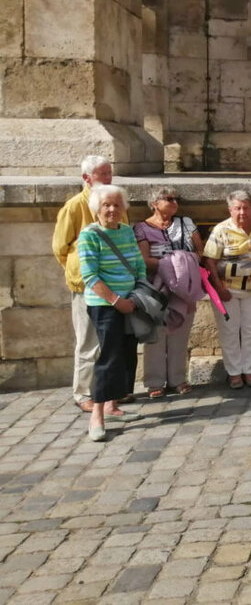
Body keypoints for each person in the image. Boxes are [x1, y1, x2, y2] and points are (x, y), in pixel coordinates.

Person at [53, 155, 122, 413]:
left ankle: (109, 393)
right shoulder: (74, 206)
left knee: (111, 341)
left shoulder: (115, 201)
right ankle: (83, 393)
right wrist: (77, 270)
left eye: (109, 172)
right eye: (102, 174)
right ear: (86, 178)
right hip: (87, 286)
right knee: (88, 341)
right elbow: (60, 247)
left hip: (114, 283)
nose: (107, 178)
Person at [77, 184, 142, 441]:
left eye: (117, 204)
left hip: (130, 301)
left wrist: (137, 293)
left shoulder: (126, 231)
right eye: (107, 205)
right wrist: (117, 300)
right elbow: (90, 276)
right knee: (110, 358)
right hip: (105, 305)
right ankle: (97, 416)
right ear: (97, 209)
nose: (113, 209)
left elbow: (137, 262)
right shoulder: (89, 235)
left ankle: (113, 407)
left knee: (127, 354)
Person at [134, 187, 203, 398]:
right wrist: (172, 265)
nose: (174, 202)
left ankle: (178, 378)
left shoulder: (186, 223)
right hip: (157, 287)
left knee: (180, 333)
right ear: (154, 203)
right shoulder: (141, 228)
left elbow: (200, 251)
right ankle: (155, 381)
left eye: (176, 199)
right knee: (157, 334)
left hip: (185, 286)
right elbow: (144, 259)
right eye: (168, 198)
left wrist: (184, 264)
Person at [203, 191, 251, 389]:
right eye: (237, 208)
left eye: (246, 207)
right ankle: (234, 373)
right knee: (230, 331)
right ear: (230, 210)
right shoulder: (221, 230)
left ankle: (249, 370)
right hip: (228, 291)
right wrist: (219, 287)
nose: (242, 212)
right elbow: (210, 261)